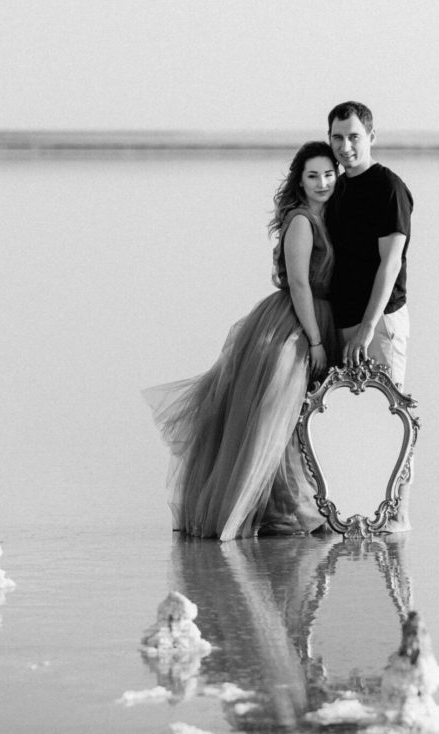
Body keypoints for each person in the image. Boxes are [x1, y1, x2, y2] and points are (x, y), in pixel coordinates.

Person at [143, 142, 340, 541]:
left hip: (315, 319)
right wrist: (316, 341)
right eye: (313, 176)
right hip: (294, 325)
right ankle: (272, 511)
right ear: (300, 182)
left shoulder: (329, 217)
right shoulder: (302, 221)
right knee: (275, 420)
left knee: (293, 422)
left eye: (328, 174)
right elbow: (299, 283)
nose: (322, 183)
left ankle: (293, 506)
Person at [324, 101, 414, 530]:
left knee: (390, 417)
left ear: (371, 137)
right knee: (347, 422)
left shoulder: (388, 188)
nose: (346, 147)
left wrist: (367, 327)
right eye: (338, 138)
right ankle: (356, 515)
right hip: (342, 322)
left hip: (380, 323)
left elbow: (390, 264)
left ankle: (396, 518)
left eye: (354, 137)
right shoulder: (336, 189)